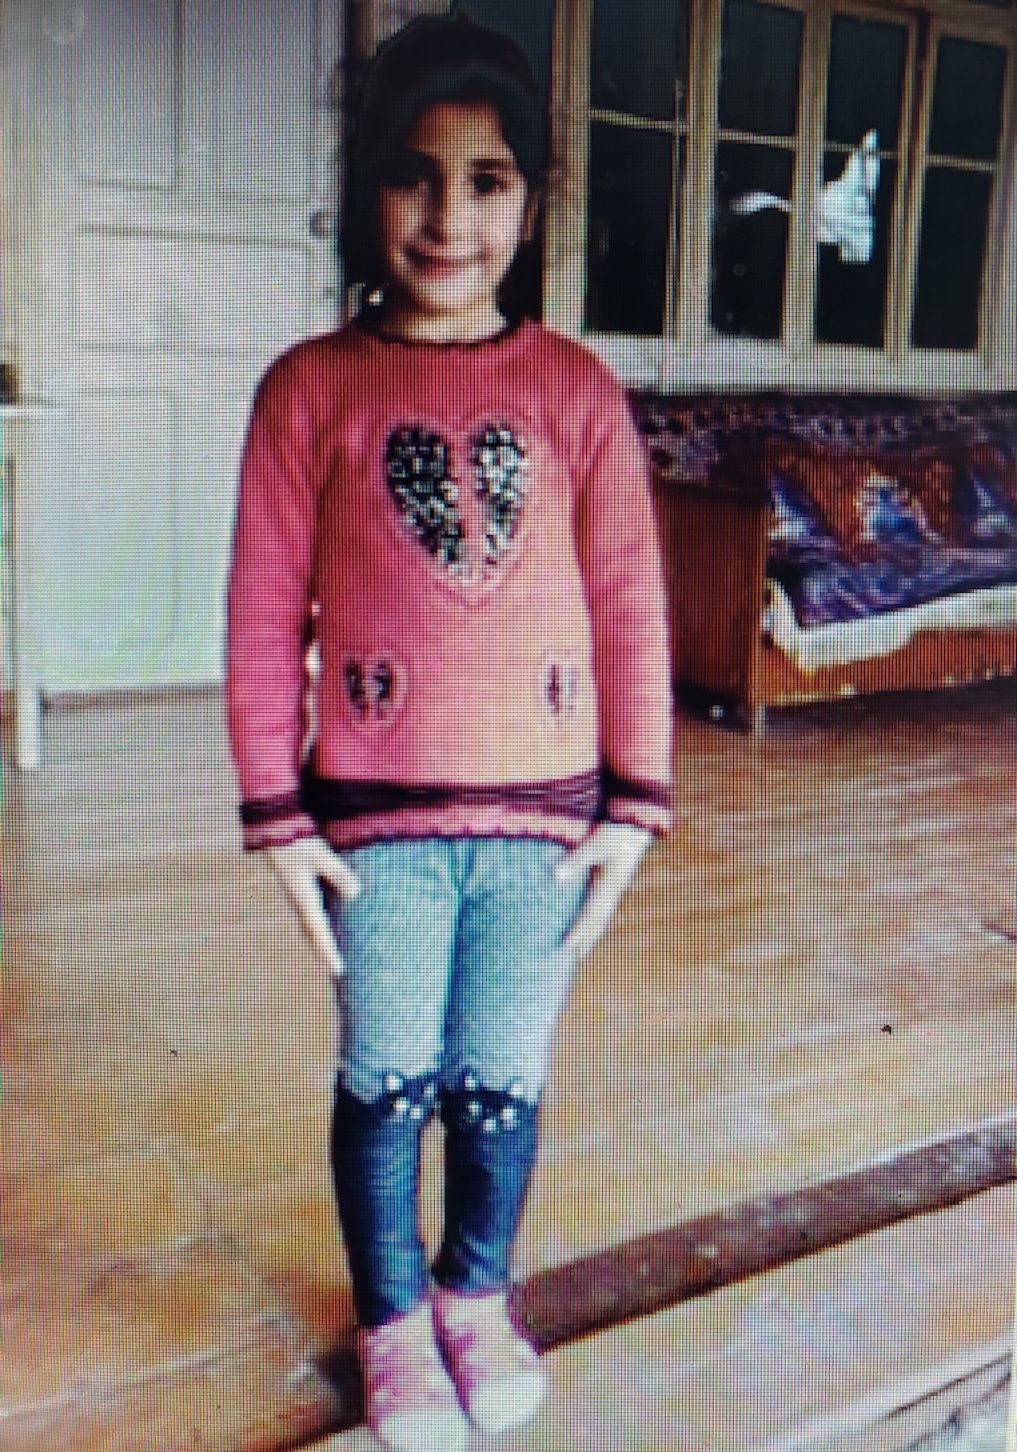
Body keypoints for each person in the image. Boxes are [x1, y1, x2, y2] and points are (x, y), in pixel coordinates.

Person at [225, 14, 674, 1451]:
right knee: (386, 1080)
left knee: (500, 1079)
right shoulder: (309, 390)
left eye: (487, 179)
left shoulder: (576, 394)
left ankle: (475, 1297)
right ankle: (393, 1322)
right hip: (381, 832)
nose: (447, 214)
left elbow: (631, 604)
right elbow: (259, 614)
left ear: (530, 199)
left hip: (545, 827)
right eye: (413, 174)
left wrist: (633, 810)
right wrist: (276, 819)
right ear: (367, 185)